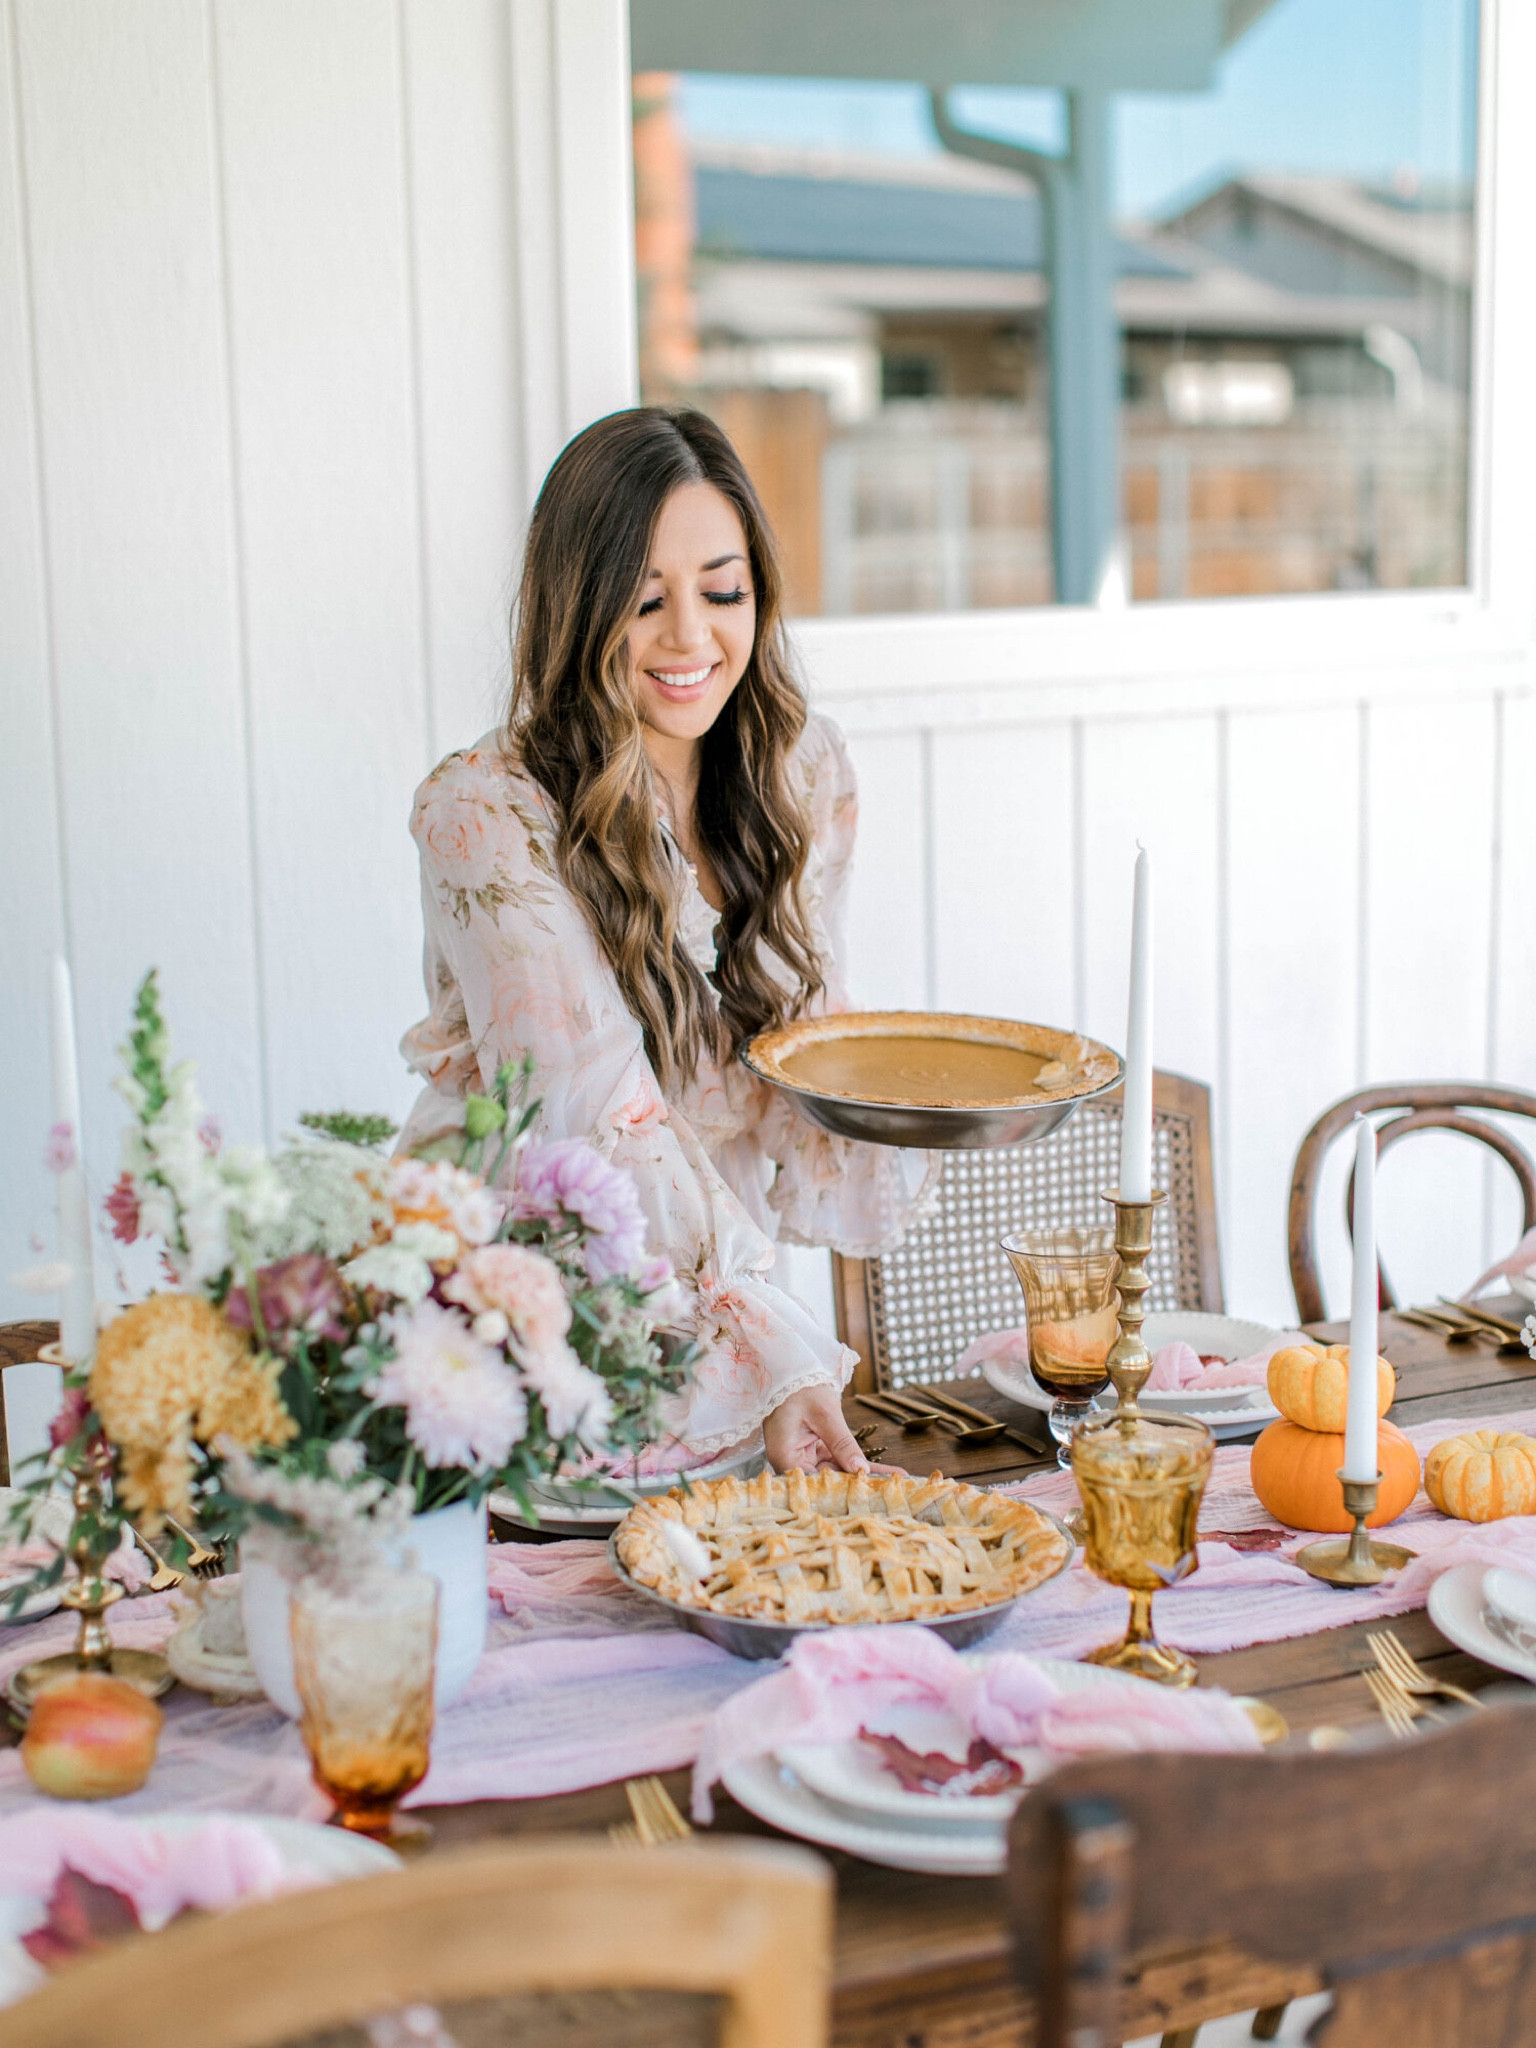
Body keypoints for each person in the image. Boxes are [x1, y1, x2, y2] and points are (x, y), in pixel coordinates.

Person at [399, 407, 937, 1472]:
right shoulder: (486, 812)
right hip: (523, 1323)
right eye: (646, 601)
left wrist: (913, 1101)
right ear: (577, 608)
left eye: (721, 590)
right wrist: (773, 1348)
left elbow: (806, 1048)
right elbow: (595, 1104)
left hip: (726, 1300)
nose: (691, 636)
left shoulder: (802, 774)